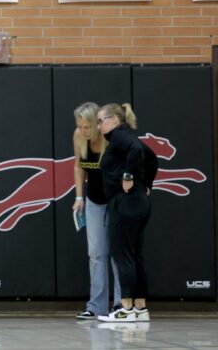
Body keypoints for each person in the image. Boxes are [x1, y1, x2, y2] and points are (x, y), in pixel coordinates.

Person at [96, 103, 157, 323]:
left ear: (113, 120)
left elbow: (138, 152)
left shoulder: (119, 136)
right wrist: (147, 183)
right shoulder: (125, 138)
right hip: (140, 202)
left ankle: (126, 308)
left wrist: (128, 177)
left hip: (125, 203)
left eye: (100, 121)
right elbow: (152, 158)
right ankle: (140, 308)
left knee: (123, 255)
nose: (98, 125)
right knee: (135, 255)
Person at [72, 102, 121, 320]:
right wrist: (79, 196)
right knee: (96, 253)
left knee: (118, 253)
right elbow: (78, 166)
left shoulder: (111, 139)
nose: (83, 131)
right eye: (80, 126)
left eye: (87, 127)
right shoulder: (78, 136)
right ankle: (96, 306)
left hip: (115, 199)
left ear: (98, 124)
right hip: (93, 200)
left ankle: (121, 304)